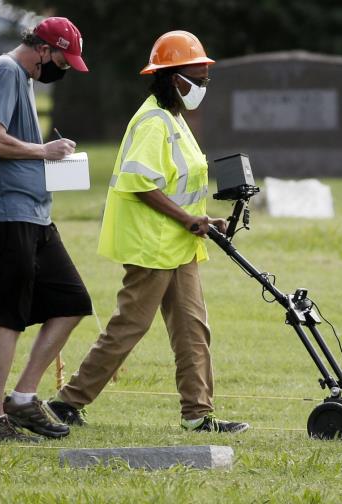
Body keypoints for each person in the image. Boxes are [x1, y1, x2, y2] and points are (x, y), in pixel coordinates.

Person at [47, 31, 249, 434]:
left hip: (180, 243)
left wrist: (204, 218)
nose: (203, 86)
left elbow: (177, 183)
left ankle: (198, 415)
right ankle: (66, 403)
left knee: (193, 329)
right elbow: (140, 184)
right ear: (175, 79)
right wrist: (186, 219)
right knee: (130, 326)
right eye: (198, 79)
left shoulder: (174, 118)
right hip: (152, 246)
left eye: (206, 79)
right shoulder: (153, 122)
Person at [0, 17, 92, 442]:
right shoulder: (5, 70)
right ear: (43, 49)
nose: (63, 69)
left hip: (34, 215)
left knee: (72, 301)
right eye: (62, 60)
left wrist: (49, 158)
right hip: (7, 214)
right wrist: (45, 150)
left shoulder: (22, 78)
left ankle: (22, 399)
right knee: (10, 316)